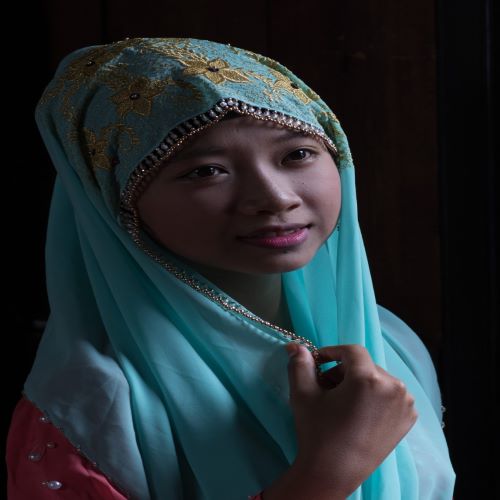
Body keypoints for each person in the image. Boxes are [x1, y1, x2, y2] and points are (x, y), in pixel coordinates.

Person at [6, 37, 455, 499]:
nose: (275, 197)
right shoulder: (91, 403)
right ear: (114, 200)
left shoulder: (388, 340)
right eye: (206, 171)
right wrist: (329, 470)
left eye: (297, 154)